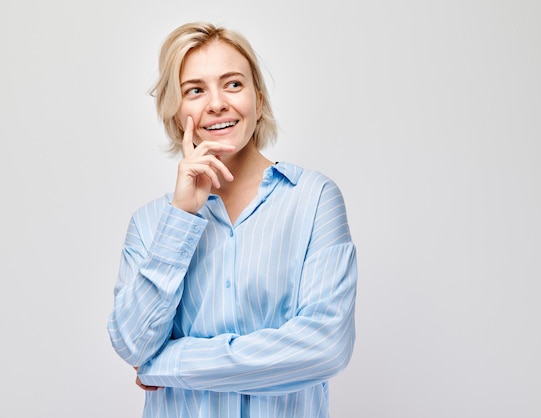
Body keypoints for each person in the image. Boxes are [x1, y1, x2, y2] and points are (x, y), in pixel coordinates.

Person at [107, 22, 358, 418]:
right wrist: (182, 215)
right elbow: (132, 345)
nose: (217, 103)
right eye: (195, 90)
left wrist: (168, 363)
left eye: (233, 84)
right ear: (176, 114)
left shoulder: (314, 200)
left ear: (258, 101)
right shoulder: (151, 223)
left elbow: (324, 347)